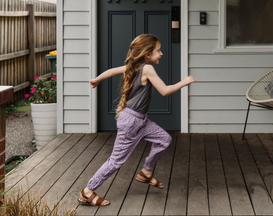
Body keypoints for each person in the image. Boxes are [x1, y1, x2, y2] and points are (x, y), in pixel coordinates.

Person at [78, 34, 196, 206]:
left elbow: (111, 71)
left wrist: (97, 79)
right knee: (116, 160)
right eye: (158, 51)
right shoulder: (147, 68)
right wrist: (184, 82)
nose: (161, 54)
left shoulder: (134, 66)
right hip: (131, 122)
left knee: (164, 139)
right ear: (147, 54)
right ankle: (87, 191)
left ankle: (146, 172)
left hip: (140, 120)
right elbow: (164, 90)